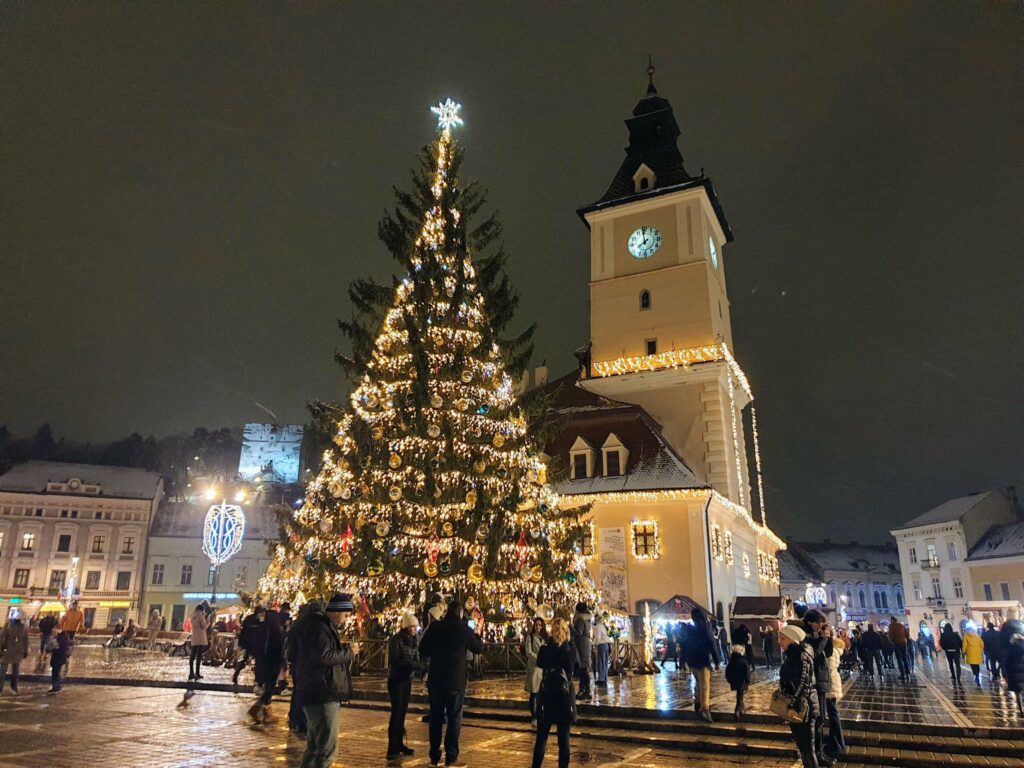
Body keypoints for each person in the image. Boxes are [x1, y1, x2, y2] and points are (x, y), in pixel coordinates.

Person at [289, 595, 358, 768]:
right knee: (326, 749)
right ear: (336, 612)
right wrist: (349, 652)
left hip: (314, 689)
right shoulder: (320, 627)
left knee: (314, 748)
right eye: (346, 615)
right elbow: (322, 656)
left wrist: (340, 648)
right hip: (323, 691)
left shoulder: (316, 624)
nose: (346, 619)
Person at [419, 600, 484, 768]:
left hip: (436, 679)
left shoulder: (436, 627)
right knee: (454, 718)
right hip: (455, 680)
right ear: (461, 613)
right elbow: (477, 648)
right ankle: (451, 757)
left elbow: (423, 648)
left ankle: (434, 756)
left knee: (436, 718)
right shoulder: (464, 628)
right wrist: (477, 633)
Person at [531, 617, 579, 768]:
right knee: (563, 741)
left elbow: (539, 664)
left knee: (541, 738)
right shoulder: (570, 649)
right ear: (566, 631)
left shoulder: (545, 649)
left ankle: (536, 766)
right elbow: (576, 669)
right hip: (564, 698)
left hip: (548, 697)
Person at [778, 624, 819, 768]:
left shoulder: (801, 656)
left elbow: (803, 683)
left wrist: (794, 706)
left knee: (807, 750)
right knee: (804, 749)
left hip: (804, 709)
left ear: (792, 640)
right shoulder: (793, 655)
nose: (779, 642)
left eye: (782, 638)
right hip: (801, 707)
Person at [799, 610, 835, 767]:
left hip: (821, 680)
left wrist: (829, 638)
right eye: (817, 622)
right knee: (816, 720)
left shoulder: (818, 636)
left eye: (821, 622)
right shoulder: (805, 638)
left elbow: (827, 653)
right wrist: (822, 639)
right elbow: (814, 653)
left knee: (821, 719)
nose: (820, 625)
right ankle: (815, 754)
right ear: (809, 623)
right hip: (813, 682)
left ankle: (819, 752)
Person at [387, 611, 422, 760]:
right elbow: (395, 660)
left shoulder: (415, 640)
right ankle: (392, 747)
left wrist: (419, 666)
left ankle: (399, 743)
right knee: (397, 712)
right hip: (397, 679)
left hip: (408, 679)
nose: (414, 630)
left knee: (402, 712)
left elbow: (417, 657)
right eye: (412, 627)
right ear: (406, 626)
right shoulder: (396, 640)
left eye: (415, 627)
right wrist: (413, 665)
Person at [684, 607, 720, 722]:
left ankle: (697, 703)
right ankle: (705, 710)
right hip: (703, 661)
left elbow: (685, 646)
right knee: (705, 685)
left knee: (698, 683)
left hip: (692, 662)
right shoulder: (706, 628)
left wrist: (683, 661)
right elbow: (712, 645)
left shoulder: (691, 629)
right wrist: (717, 661)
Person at [824, 626, 847, 759]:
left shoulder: (830, 650)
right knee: (833, 713)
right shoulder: (835, 648)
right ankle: (835, 742)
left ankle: (838, 744)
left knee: (833, 715)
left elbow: (828, 666)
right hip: (832, 682)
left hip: (830, 683)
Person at [524, 616, 548, 722]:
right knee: (533, 693)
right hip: (534, 667)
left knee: (541, 693)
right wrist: (538, 658)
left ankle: (540, 714)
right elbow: (528, 651)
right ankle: (533, 716)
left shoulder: (544, 637)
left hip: (543, 668)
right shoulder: (530, 637)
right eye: (536, 625)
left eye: (540, 625)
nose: (538, 627)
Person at [0, 611, 30, 695]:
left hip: (12, 652)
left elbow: (25, 640)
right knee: (6, 671)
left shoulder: (11, 626)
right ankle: (10, 688)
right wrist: (25, 651)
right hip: (11, 652)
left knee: (10, 671)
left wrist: (25, 651)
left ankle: (11, 688)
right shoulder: (13, 627)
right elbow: (2, 639)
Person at [570, 602, 593, 700]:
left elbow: (578, 632)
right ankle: (585, 690)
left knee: (583, 669)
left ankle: (585, 690)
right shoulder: (588, 619)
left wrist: (570, 627)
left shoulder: (580, 619)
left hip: (581, 645)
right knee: (584, 669)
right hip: (586, 644)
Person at [725, 644, 751, 721]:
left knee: (740, 695)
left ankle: (742, 708)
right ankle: (737, 710)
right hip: (741, 681)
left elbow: (727, 672)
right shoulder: (743, 660)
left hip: (734, 681)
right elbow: (746, 672)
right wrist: (747, 681)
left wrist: (729, 680)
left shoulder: (731, 661)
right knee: (740, 696)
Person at [1002, 624, 1024, 716]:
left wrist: (1005, 675)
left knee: (1018, 692)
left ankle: (1021, 710)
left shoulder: (1010, 649)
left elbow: (1005, 662)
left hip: (1013, 673)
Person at [188, 602, 210, 681]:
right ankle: (197, 673)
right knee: (199, 656)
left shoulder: (193, 615)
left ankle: (191, 673)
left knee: (192, 655)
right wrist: (208, 622)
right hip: (201, 638)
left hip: (194, 637)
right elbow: (204, 627)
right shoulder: (201, 616)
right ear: (202, 609)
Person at [888, 615, 910, 682]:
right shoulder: (901, 625)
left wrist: (891, 642)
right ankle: (908, 673)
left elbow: (890, 635)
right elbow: (907, 634)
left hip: (897, 644)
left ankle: (902, 674)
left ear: (892, 620)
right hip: (903, 643)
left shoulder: (891, 626)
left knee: (899, 659)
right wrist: (907, 640)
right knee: (905, 658)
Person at [592, 613, 610, 688]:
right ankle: (605, 678)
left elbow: (598, 638)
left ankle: (601, 680)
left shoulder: (596, 627)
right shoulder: (603, 626)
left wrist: (592, 643)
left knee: (601, 662)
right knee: (605, 662)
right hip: (606, 645)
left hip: (601, 645)